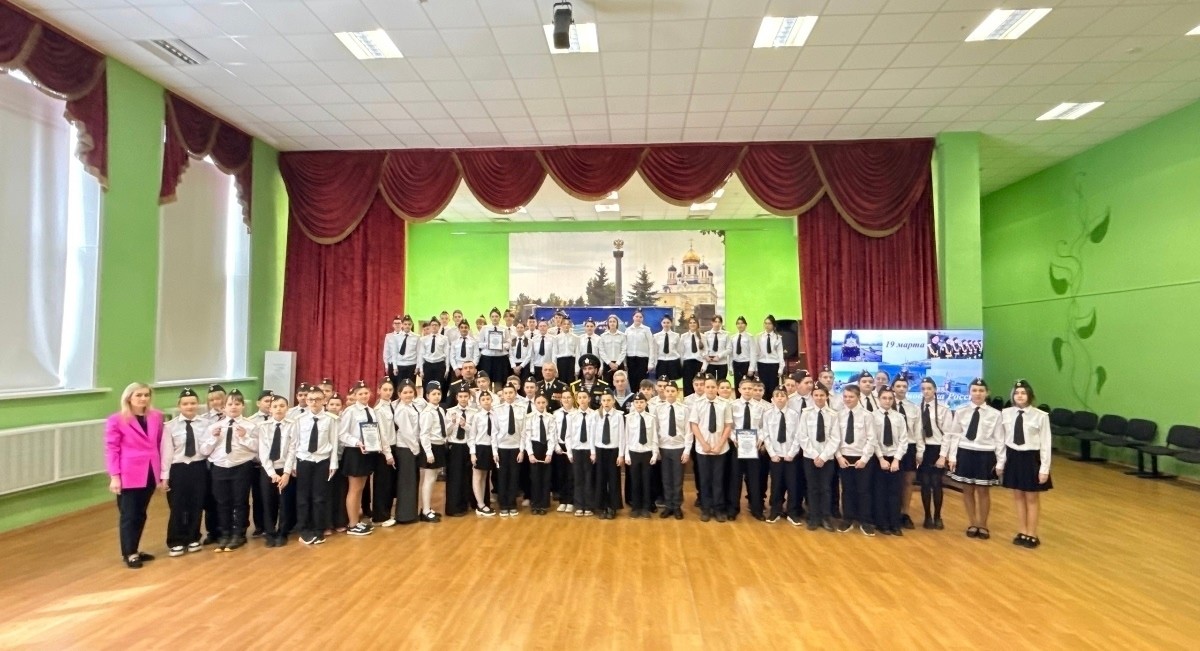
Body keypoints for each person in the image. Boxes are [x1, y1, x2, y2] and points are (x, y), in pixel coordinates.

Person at [106, 382, 163, 569]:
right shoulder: (117, 420)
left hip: (150, 471)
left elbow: (159, 443)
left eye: (146, 395)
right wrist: (115, 476)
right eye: (138, 395)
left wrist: (162, 473)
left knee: (141, 513)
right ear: (129, 397)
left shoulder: (156, 417)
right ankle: (129, 552)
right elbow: (112, 449)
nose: (143, 398)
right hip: (129, 473)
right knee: (129, 515)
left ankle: (135, 549)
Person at [199, 389, 258, 552]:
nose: (234, 407)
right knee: (222, 502)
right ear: (223, 407)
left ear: (243, 406)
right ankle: (225, 533)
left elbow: (257, 448)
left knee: (240, 501)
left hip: (241, 467)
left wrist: (244, 437)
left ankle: (239, 533)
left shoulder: (250, 426)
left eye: (237, 404)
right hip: (219, 467)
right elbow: (204, 450)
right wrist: (213, 438)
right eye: (230, 404)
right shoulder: (214, 426)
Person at [997, 379, 1053, 549]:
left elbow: (1046, 443)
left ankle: (1032, 533)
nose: (1020, 396)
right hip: (1013, 457)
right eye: (1016, 393)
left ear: (1030, 395)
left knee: (1031, 497)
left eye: (1023, 393)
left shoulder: (1040, 416)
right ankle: (1022, 531)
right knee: (1018, 496)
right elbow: (1001, 440)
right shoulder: (1005, 413)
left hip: (1031, 458)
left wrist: (1044, 469)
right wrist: (1001, 462)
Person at [945, 378, 1004, 540]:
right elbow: (955, 435)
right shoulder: (961, 411)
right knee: (967, 490)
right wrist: (952, 456)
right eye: (974, 390)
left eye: (981, 391)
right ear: (969, 392)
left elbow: (999, 439)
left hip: (985, 454)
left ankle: (983, 524)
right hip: (965, 453)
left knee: (983, 491)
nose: (978, 394)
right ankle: (972, 522)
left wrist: (1000, 461)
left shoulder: (995, 414)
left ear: (987, 393)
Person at [338, 381, 391, 537]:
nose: (364, 396)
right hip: (354, 453)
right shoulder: (350, 411)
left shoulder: (371, 411)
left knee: (361, 488)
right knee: (354, 489)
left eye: (366, 393)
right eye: (360, 394)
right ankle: (352, 524)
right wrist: (357, 442)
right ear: (354, 396)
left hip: (368, 452)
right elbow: (342, 434)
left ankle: (357, 520)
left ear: (371, 393)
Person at [161, 388, 209, 557]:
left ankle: (193, 537)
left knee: (196, 503)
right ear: (179, 405)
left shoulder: (205, 424)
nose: (189, 406)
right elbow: (167, 452)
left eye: (193, 403)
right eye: (185, 403)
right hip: (178, 469)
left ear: (198, 404)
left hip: (198, 467)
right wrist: (165, 476)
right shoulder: (169, 426)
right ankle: (176, 540)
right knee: (178, 505)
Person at [294, 386, 338, 546]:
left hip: (322, 461)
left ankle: (318, 528)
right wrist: (293, 464)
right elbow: (295, 443)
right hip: (303, 460)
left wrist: (333, 463)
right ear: (306, 401)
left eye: (318, 399)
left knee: (319, 497)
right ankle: (304, 529)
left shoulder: (331, 419)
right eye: (311, 399)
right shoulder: (299, 419)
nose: (314, 402)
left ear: (324, 401)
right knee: (303, 497)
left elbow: (334, 442)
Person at [872, 388, 917, 537]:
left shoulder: (899, 417)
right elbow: (872, 439)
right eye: (884, 398)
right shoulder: (872, 417)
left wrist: (897, 459)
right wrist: (881, 458)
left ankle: (894, 523)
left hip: (895, 458)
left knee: (895, 491)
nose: (887, 401)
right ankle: (882, 523)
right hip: (879, 458)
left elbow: (904, 440)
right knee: (880, 492)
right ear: (879, 399)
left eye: (890, 398)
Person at [834, 385, 876, 536]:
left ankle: (865, 521)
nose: (848, 399)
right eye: (845, 396)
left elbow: (872, 439)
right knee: (847, 490)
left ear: (858, 397)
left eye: (851, 397)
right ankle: (848, 519)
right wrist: (839, 457)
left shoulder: (867, 415)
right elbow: (835, 438)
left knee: (864, 490)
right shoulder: (838, 415)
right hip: (844, 457)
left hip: (862, 458)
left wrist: (864, 459)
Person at [690, 377, 732, 522]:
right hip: (703, 449)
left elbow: (728, 425)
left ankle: (718, 508)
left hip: (720, 448)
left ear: (717, 389)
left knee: (718, 479)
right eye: (708, 387)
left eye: (713, 387)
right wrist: (703, 443)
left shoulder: (725, 404)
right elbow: (694, 425)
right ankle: (706, 509)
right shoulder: (698, 404)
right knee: (705, 479)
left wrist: (720, 444)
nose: (710, 389)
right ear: (704, 388)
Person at [255, 395, 296, 548]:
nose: (279, 409)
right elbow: (263, 451)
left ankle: (283, 532)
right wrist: (272, 473)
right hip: (269, 470)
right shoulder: (263, 427)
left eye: (282, 406)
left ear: (287, 408)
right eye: (275, 406)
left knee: (285, 502)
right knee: (268, 501)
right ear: (270, 409)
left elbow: (293, 449)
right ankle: (270, 533)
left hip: (285, 468)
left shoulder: (293, 425)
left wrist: (286, 473)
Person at [799, 383, 839, 531]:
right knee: (812, 488)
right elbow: (802, 436)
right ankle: (814, 517)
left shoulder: (833, 414)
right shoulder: (806, 413)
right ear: (812, 396)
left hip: (827, 459)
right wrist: (815, 455)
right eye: (816, 395)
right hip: (810, 457)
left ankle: (826, 517)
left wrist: (823, 456)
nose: (819, 398)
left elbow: (835, 438)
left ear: (827, 396)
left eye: (822, 395)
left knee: (826, 488)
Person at [914, 377, 953, 529]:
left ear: (935, 390)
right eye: (923, 389)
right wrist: (919, 452)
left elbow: (948, 434)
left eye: (929, 388)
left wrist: (943, 456)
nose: (926, 391)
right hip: (923, 448)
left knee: (936, 483)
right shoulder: (917, 408)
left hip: (937, 448)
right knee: (925, 483)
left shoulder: (944, 409)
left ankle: (937, 516)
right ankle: (927, 516)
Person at [728, 379, 765, 521]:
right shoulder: (733, 405)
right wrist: (734, 438)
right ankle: (733, 509)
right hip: (738, 446)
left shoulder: (760, 407)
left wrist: (760, 438)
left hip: (753, 447)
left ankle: (756, 509)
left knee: (754, 479)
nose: (748, 391)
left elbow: (763, 426)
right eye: (745, 388)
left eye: (750, 388)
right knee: (735, 479)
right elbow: (729, 426)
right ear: (739, 390)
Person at [655, 381, 691, 519]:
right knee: (666, 479)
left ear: (677, 392)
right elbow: (655, 430)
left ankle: (676, 506)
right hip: (664, 448)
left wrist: (687, 450)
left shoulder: (684, 409)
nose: (670, 393)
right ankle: (668, 506)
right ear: (664, 392)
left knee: (677, 479)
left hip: (679, 448)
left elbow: (688, 431)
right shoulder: (658, 409)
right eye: (668, 391)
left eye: (672, 391)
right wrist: (656, 450)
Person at [387, 381, 421, 525]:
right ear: (399, 394)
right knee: (406, 482)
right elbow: (406, 432)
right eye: (405, 392)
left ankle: (411, 513)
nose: (408, 395)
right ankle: (404, 515)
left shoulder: (413, 406)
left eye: (410, 392)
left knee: (412, 481)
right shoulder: (401, 409)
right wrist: (416, 449)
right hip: (406, 448)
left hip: (411, 447)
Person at [418, 383, 451, 523]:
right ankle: (425, 510)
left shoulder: (441, 410)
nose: (436, 397)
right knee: (429, 479)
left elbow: (443, 430)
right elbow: (424, 434)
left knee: (433, 478)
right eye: (433, 394)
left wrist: (452, 423)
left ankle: (428, 507)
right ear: (427, 396)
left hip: (439, 446)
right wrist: (428, 453)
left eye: (438, 394)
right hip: (431, 447)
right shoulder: (427, 413)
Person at [492, 385, 525, 517]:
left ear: (515, 394)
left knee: (514, 476)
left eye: (511, 392)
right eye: (506, 393)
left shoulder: (522, 409)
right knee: (502, 476)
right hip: (502, 447)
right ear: (503, 395)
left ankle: (512, 504)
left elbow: (524, 432)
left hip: (516, 447)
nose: (509, 395)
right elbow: (494, 432)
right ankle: (503, 504)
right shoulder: (497, 410)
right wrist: (495, 451)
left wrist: (521, 450)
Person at [623, 394, 658, 518]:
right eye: (637, 402)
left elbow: (654, 437)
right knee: (635, 481)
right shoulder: (629, 418)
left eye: (641, 402)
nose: (639, 404)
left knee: (647, 481)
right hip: (633, 453)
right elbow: (626, 438)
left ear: (646, 403)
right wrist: (626, 454)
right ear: (633, 404)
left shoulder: (651, 418)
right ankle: (635, 507)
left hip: (647, 453)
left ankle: (645, 507)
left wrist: (655, 454)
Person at [443, 386, 476, 517]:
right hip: (454, 447)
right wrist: (452, 423)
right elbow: (445, 432)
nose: (463, 399)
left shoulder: (473, 412)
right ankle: (453, 507)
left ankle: (464, 505)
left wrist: (465, 425)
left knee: (465, 477)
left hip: (467, 446)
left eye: (465, 396)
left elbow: (475, 431)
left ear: (469, 397)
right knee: (454, 477)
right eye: (460, 396)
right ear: (456, 397)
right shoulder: (450, 412)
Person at [592, 393, 625, 520]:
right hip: (600, 450)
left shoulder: (618, 416)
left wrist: (621, 455)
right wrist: (593, 452)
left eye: (609, 400)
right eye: (604, 400)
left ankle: (612, 506)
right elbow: (592, 435)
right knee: (600, 479)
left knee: (613, 479)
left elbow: (622, 436)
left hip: (613, 451)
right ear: (601, 402)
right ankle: (602, 506)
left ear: (613, 401)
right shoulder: (596, 415)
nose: (606, 402)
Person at [523, 393, 557, 515]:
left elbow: (552, 436)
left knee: (546, 478)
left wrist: (549, 453)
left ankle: (544, 504)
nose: (541, 405)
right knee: (535, 477)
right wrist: (530, 454)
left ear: (546, 403)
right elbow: (527, 437)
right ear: (535, 404)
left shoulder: (550, 417)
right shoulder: (529, 417)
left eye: (543, 402)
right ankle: (535, 504)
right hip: (535, 447)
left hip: (546, 447)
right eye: (538, 402)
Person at [565, 390, 595, 518]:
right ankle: (578, 505)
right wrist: (569, 452)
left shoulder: (594, 415)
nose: (582, 400)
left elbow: (595, 435)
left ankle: (588, 506)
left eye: (584, 397)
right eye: (580, 397)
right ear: (577, 400)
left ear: (589, 399)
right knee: (578, 479)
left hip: (589, 450)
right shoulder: (571, 416)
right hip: (576, 450)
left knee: (589, 479)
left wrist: (593, 452)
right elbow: (568, 436)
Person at [467, 391, 498, 517]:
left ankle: (483, 503)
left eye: (488, 399)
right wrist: (473, 453)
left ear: (491, 400)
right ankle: (479, 504)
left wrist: (495, 452)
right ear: (479, 402)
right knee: (477, 476)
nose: (486, 401)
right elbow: (472, 436)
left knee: (485, 476)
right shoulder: (477, 416)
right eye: (483, 399)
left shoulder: (495, 415)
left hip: (490, 448)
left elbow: (495, 434)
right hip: (479, 448)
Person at [552, 390, 576, 512]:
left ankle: (571, 501)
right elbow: (553, 431)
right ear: (561, 400)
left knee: (571, 475)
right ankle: (562, 500)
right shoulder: (556, 414)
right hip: (559, 447)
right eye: (564, 397)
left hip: (572, 446)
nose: (566, 400)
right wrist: (556, 446)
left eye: (568, 397)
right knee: (561, 475)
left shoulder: (576, 414)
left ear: (573, 399)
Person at [478, 307, 510, 389]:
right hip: (487, 358)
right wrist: (488, 345)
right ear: (490, 318)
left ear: (500, 317)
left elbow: (508, 343)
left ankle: (498, 396)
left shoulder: (504, 328)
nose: (494, 318)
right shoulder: (484, 328)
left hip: (500, 358)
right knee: (486, 382)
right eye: (492, 316)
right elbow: (479, 343)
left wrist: (501, 346)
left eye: (496, 316)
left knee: (499, 383)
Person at [754, 316, 785, 398]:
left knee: (773, 387)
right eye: (765, 323)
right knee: (763, 387)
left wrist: (781, 368)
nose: (767, 325)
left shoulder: (778, 337)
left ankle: (772, 404)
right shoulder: (759, 336)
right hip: (762, 364)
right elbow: (756, 352)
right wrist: (755, 367)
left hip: (774, 364)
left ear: (773, 325)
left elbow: (780, 353)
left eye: (769, 323)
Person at [623, 310, 655, 388]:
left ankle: (642, 395)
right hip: (631, 359)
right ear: (633, 317)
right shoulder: (628, 330)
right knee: (632, 381)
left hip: (643, 360)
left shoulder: (646, 330)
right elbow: (624, 347)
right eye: (636, 316)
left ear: (643, 319)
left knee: (642, 382)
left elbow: (651, 346)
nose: (638, 318)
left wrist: (651, 363)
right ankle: (634, 395)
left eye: (640, 317)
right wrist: (625, 363)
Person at [384, 315, 419, 387]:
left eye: (409, 324)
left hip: (411, 365)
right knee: (399, 387)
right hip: (400, 365)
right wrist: (394, 367)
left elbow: (419, 353)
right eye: (405, 324)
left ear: (412, 325)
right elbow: (394, 353)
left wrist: (418, 366)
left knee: (411, 386)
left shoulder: (417, 337)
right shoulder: (396, 337)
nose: (407, 326)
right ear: (402, 325)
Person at [418, 317, 450, 390]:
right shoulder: (423, 339)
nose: (434, 326)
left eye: (436, 325)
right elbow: (421, 354)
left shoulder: (444, 338)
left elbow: (447, 354)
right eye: (432, 325)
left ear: (439, 326)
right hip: (428, 365)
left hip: (440, 365)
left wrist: (447, 368)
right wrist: (421, 370)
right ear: (430, 326)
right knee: (427, 387)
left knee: (440, 386)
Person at [680, 316, 707, 395]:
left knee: (699, 386)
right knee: (687, 386)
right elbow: (681, 352)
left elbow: (706, 351)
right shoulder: (684, 336)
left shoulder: (702, 336)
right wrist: (681, 366)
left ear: (697, 324)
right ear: (688, 324)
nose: (692, 324)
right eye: (690, 323)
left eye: (694, 322)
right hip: (687, 364)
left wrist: (704, 365)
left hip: (699, 363)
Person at [729, 317, 756, 395]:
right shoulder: (733, 337)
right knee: (738, 385)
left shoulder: (750, 337)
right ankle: (738, 400)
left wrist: (751, 368)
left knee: (748, 386)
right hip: (736, 364)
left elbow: (753, 353)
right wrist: (730, 367)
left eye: (742, 323)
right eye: (738, 323)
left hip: (746, 363)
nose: (740, 325)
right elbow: (731, 353)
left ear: (745, 325)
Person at [653, 315, 682, 384]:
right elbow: (655, 351)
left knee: (673, 383)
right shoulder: (656, 336)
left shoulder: (676, 336)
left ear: (671, 323)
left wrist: (681, 362)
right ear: (661, 323)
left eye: (668, 322)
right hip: (661, 362)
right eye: (664, 322)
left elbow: (679, 350)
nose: (666, 324)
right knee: (662, 382)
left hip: (673, 362)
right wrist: (654, 363)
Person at [598, 314, 627, 386]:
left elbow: (623, 351)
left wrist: (617, 363)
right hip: (607, 365)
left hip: (619, 364)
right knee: (607, 386)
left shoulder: (622, 336)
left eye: (614, 321)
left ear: (617, 323)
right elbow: (601, 351)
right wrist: (609, 363)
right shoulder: (603, 336)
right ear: (608, 323)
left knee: (620, 385)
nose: (612, 323)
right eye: (610, 321)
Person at [553, 315, 579, 383]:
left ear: (570, 325)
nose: (566, 326)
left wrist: (577, 368)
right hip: (561, 362)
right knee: (561, 383)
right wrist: (555, 369)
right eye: (564, 324)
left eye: (568, 324)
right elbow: (554, 354)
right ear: (561, 325)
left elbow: (577, 353)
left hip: (571, 362)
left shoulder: (576, 337)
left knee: (571, 383)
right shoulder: (556, 338)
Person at [704, 315, 730, 382]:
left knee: (721, 383)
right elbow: (704, 349)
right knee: (711, 383)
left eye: (719, 322)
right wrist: (705, 356)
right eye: (715, 322)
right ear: (712, 322)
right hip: (710, 363)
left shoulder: (726, 334)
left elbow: (729, 349)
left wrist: (719, 356)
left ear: (721, 323)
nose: (717, 324)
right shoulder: (706, 334)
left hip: (722, 363)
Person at [509, 321, 532, 385]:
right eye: (518, 327)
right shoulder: (512, 341)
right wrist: (514, 367)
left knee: (524, 384)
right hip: (514, 365)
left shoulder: (529, 341)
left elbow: (529, 355)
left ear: (524, 329)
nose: (519, 329)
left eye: (521, 327)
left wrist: (520, 366)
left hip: (524, 365)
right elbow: (510, 355)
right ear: (516, 329)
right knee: (514, 384)